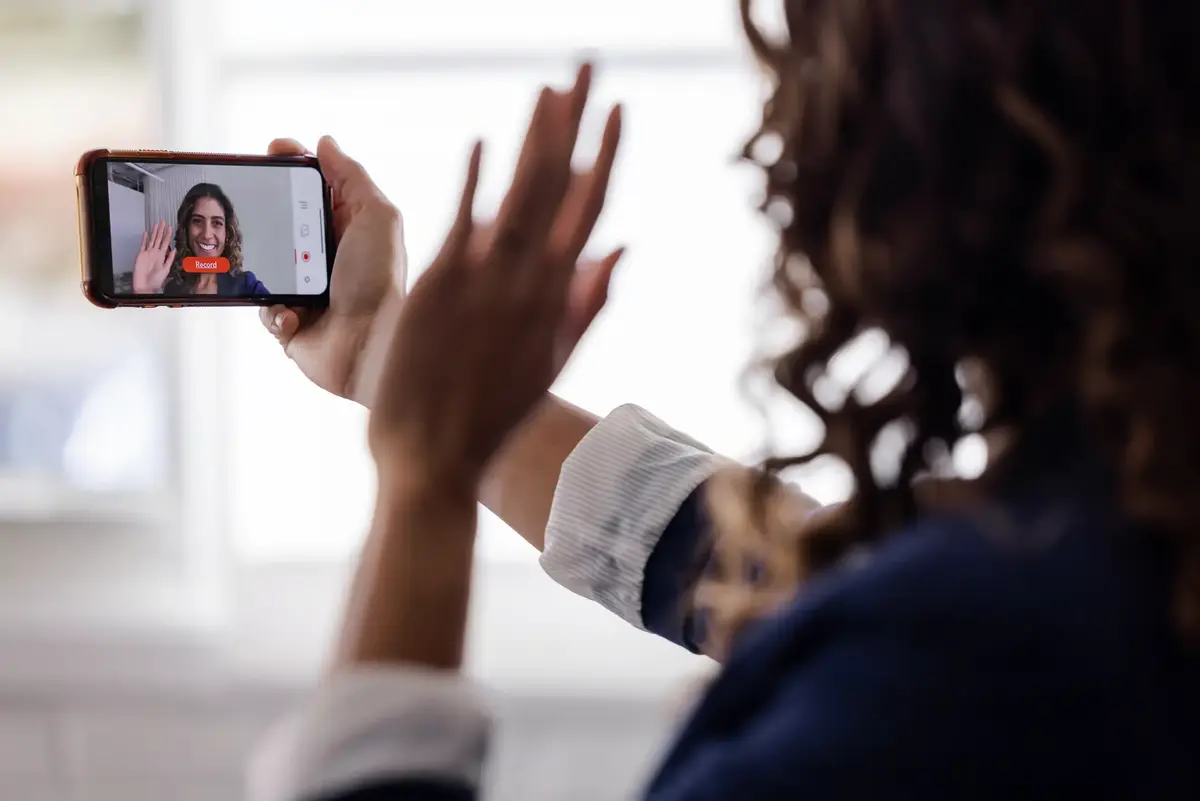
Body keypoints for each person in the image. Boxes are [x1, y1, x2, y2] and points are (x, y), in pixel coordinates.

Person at [251, 0, 1200, 796]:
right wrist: (391, 359)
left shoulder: (951, 671)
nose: (777, 146)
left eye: (824, 77)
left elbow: (900, 614)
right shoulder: (1134, 508)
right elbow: (806, 576)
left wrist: (426, 486)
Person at [132, 182, 270, 297]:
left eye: (217, 223)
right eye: (197, 221)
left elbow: (271, 314)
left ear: (227, 233)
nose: (207, 234)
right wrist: (143, 293)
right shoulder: (172, 289)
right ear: (186, 229)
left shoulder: (246, 285)